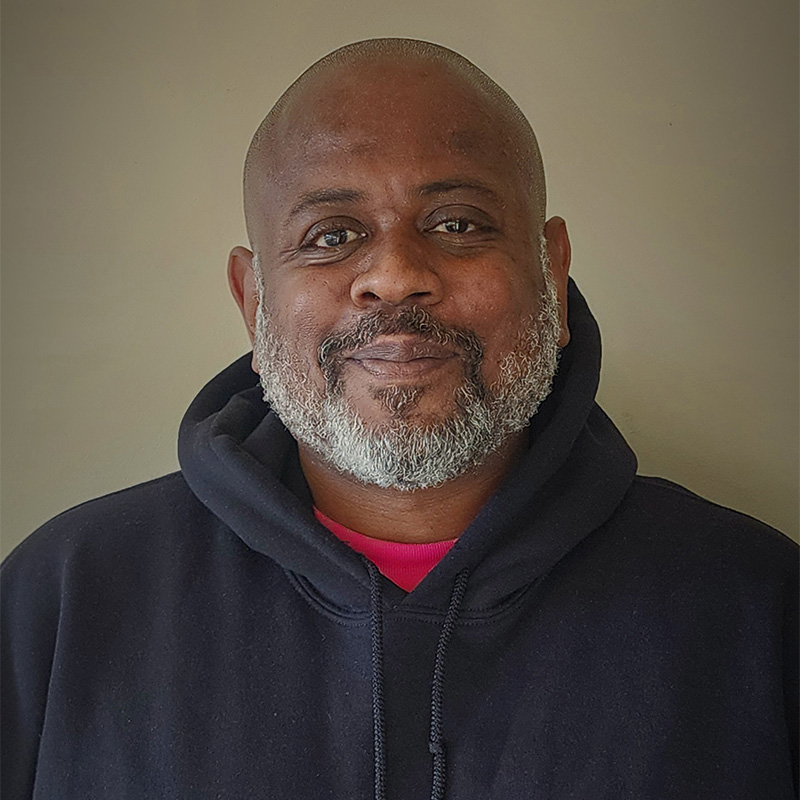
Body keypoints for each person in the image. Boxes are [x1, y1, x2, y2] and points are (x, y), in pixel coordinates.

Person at [1, 37, 796, 800]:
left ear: (550, 273)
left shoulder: (761, 612)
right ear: (253, 303)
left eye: (457, 223)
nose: (394, 275)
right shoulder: (60, 604)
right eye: (331, 235)